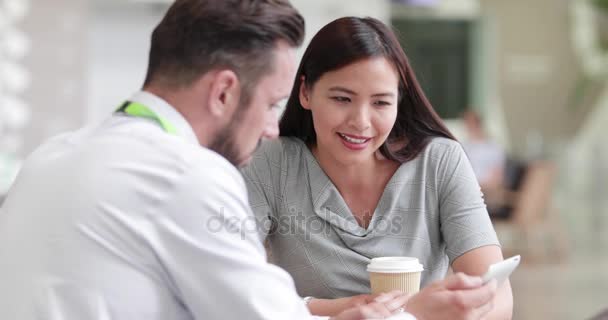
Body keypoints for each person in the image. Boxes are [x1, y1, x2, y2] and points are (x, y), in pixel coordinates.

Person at [0, 2, 498, 320]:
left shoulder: (52, 156)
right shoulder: (187, 178)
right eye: (270, 105)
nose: (268, 128)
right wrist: (412, 314)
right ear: (223, 92)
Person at [242, 16, 513, 319]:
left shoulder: (439, 162)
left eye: (381, 103)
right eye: (342, 98)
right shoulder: (270, 161)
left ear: (399, 101)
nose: (361, 121)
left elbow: (497, 295)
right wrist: (343, 310)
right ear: (305, 92)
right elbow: (235, 285)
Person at [461, 109, 511, 219]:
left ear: (477, 124)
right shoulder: (464, 147)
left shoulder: (494, 148)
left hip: (486, 193)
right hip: (468, 190)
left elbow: (497, 179)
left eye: (470, 124)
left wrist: (475, 186)